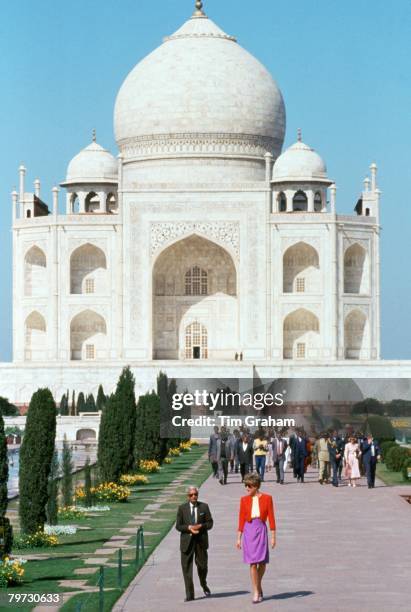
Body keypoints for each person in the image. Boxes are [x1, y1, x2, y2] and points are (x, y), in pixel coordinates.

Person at [237, 473, 276, 604]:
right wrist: (238, 538)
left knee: (263, 563)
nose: (246, 488)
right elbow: (241, 519)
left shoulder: (267, 498)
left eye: (249, 486)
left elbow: (271, 518)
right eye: (245, 485)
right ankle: (256, 591)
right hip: (249, 530)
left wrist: (273, 537)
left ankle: (258, 585)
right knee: (253, 563)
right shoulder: (243, 500)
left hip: (261, 530)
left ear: (256, 486)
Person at [176, 486, 214, 602]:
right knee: (186, 568)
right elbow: (178, 526)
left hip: (201, 542)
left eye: (195, 494)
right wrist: (189, 528)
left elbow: (210, 523)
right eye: (191, 495)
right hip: (186, 542)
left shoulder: (204, 507)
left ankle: (203, 583)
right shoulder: (182, 508)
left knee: (202, 566)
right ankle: (190, 594)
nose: (194, 497)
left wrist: (201, 526)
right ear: (187, 496)